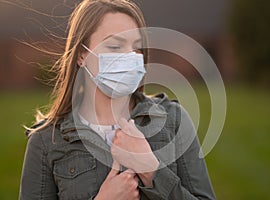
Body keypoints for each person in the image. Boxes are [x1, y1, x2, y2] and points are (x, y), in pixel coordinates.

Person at [19, 0, 216, 199]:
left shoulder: (174, 120)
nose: (130, 56)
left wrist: (151, 171)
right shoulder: (46, 140)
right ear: (81, 55)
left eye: (137, 48)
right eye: (114, 46)